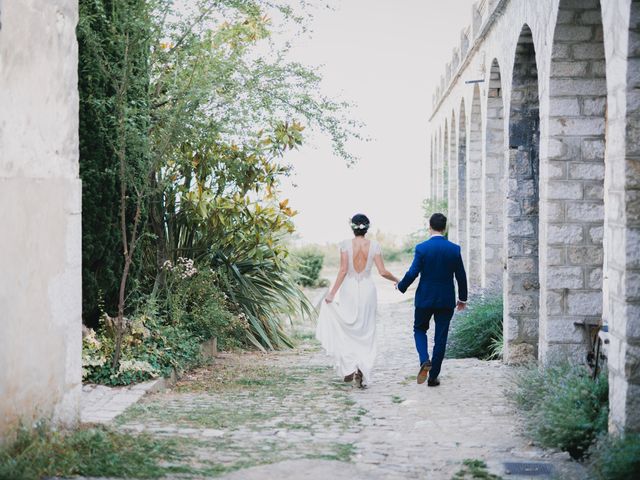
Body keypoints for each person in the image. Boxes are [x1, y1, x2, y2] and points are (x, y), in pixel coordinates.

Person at [315, 214, 399, 388]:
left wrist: (331, 293)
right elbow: (382, 271)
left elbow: (344, 270)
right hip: (368, 289)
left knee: (349, 327)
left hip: (349, 289)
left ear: (352, 227)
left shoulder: (345, 245)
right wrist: (398, 280)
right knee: (366, 330)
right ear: (367, 228)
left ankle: (350, 365)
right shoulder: (375, 246)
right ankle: (361, 367)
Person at [397, 213, 468, 387]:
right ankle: (433, 376)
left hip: (425, 298)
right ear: (444, 228)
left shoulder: (422, 248)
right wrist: (462, 298)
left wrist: (401, 286)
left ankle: (424, 360)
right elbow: (461, 276)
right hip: (446, 299)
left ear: (430, 226)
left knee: (419, 329)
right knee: (441, 338)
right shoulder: (454, 249)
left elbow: (413, 272)